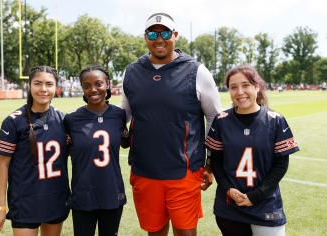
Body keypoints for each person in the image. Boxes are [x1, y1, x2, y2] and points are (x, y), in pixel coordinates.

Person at [121, 12, 222, 235]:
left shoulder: (197, 71)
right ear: (145, 37)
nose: (159, 38)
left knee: (185, 232)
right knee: (154, 231)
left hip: (184, 171)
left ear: (175, 35)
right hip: (144, 170)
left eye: (165, 32)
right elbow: (125, 114)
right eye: (153, 33)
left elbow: (215, 117)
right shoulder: (131, 72)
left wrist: (211, 163)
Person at [205, 65, 299, 236]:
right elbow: (216, 161)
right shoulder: (221, 121)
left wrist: (256, 195)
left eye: (246, 85)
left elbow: (281, 165)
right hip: (229, 207)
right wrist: (228, 189)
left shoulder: (275, 120)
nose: (239, 92)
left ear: (257, 87)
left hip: (266, 206)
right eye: (233, 87)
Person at [0, 66, 70, 236]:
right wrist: (0, 207)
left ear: (56, 87)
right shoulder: (14, 121)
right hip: (25, 200)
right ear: (29, 86)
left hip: (55, 198)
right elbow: (2, 165)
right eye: (37, 83)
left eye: (49, 84)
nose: (43, 89)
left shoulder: (63, 120)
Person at [63, 65, 129, 236]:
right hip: (83, 193)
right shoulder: (71, 119)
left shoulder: (119, 115)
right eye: (87, 85)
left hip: (112, 191)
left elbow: (125, 143)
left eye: (98, 84)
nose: (93, 89)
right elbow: (66, 151)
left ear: (108, 84)